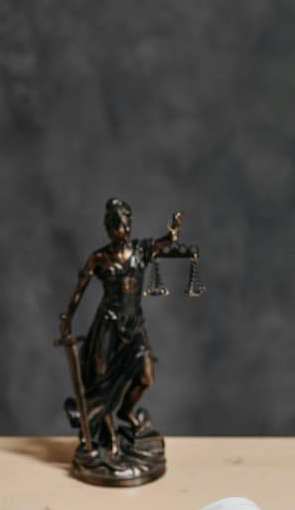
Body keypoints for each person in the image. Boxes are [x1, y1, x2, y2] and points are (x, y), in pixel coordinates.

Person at [58, 199, 197, 474]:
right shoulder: (99, 258)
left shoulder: (140, 251)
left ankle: (125, 413)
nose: (126, 230)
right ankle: (109, 438)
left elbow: (164, 243)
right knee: (103, 385)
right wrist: (67, 319)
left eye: (128, 224)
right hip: (107, 327)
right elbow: (79, 290)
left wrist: (173, 231)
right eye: (120, 226)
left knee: (146, 376)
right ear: (110, 229)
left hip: (134, 327)